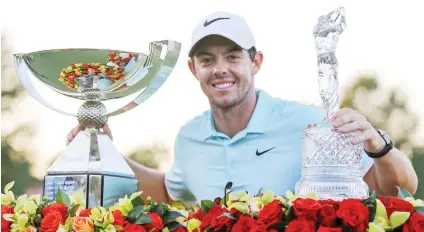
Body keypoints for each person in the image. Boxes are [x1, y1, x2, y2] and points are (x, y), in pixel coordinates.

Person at [66, 11, 418, 206]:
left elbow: (398, 188)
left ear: (256, 62)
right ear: (193, 69)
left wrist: (378, 145)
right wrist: (105, 151)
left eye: (233, 57)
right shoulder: (189, 137)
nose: (220, 69)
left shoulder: (310, 122)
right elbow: (165, 191)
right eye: (207, 59)